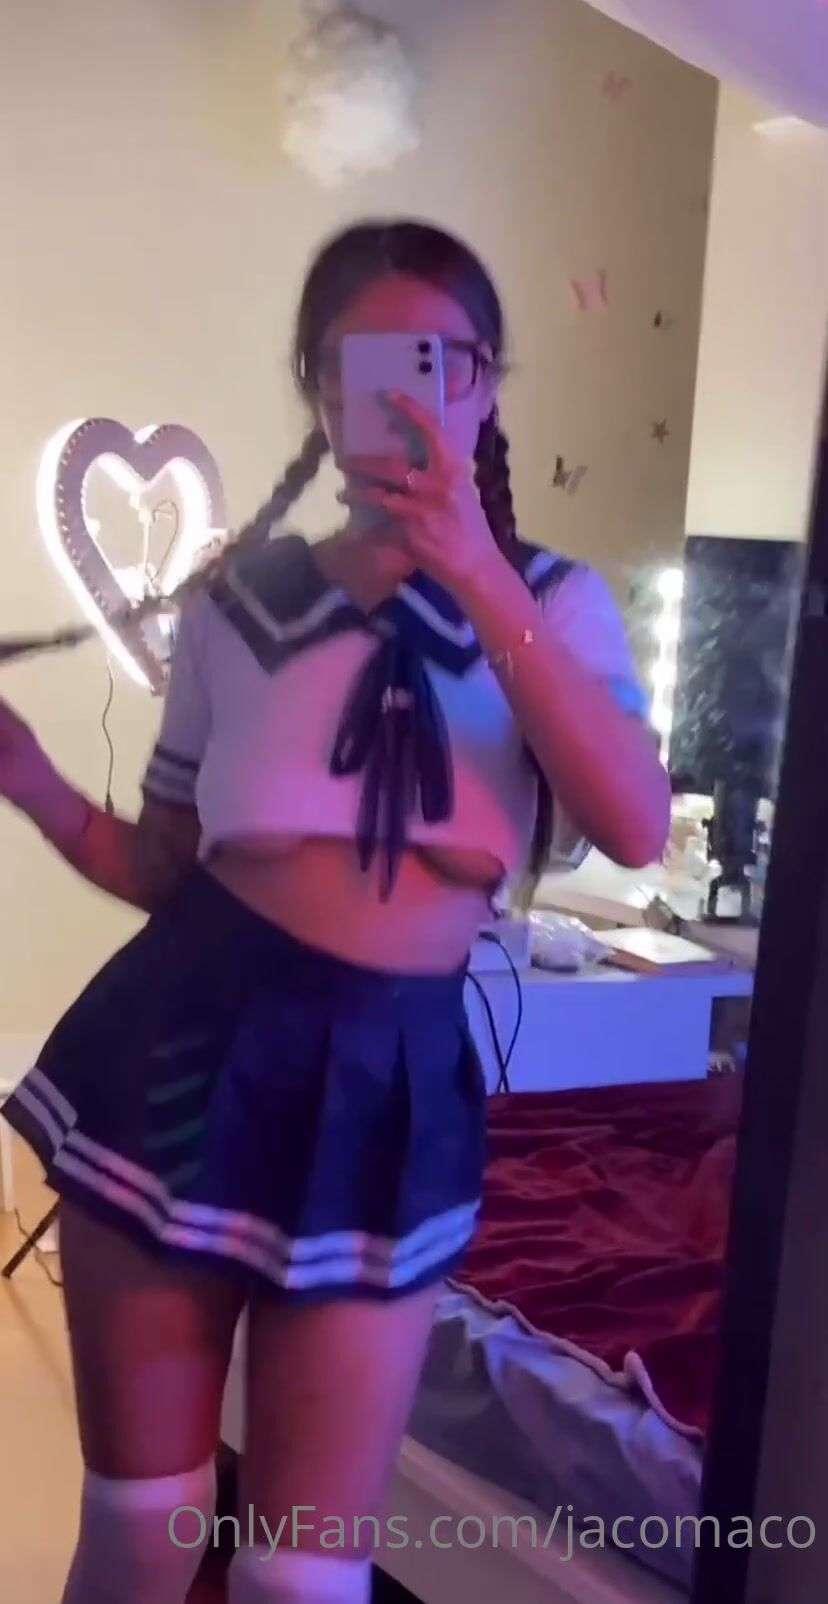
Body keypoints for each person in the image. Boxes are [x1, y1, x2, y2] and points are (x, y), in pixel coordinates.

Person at [0, 220, 669, 1604]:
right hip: (180, 1054)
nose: (411, 396)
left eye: (445, 362)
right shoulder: (235, 598)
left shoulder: (557, 605)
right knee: (144, 1529)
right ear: (318, 388)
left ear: (488, 384)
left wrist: (474, 569)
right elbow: (165, 869)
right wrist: (34, 783)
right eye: (367, 367)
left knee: (302, 1577)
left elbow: (635, 824)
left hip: (387, 1086)